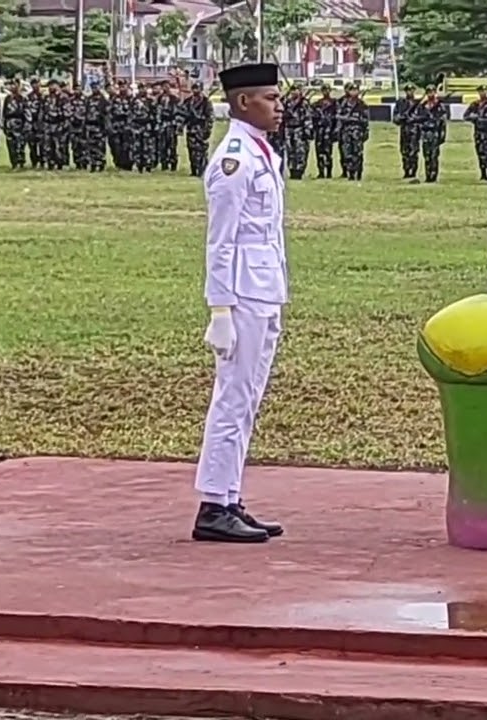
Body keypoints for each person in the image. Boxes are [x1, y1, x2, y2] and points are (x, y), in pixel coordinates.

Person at [192, 63, 288, 544]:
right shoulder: (234, 160)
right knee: (232, 397)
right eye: (270, 98)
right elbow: (221, 241)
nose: (279, 106)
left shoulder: (260, 151)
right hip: (242, 293)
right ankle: (213, 505)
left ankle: (228, 496)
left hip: (264, 288)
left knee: (247, 398)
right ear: (243, 102)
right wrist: (219, 310)